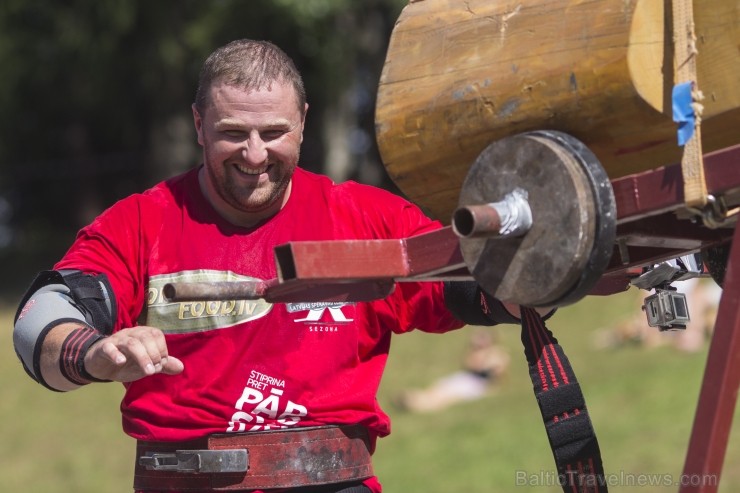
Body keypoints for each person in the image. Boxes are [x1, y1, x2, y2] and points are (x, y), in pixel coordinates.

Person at [12, 39, 548, 493]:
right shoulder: (141, 222)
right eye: (231, 133)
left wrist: (552, 271)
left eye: (272, 133)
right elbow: (41, 317)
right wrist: (95, 353)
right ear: (199, 124)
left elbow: (479, 290)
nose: (253, 154)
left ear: (302, 122)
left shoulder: (365, 216)